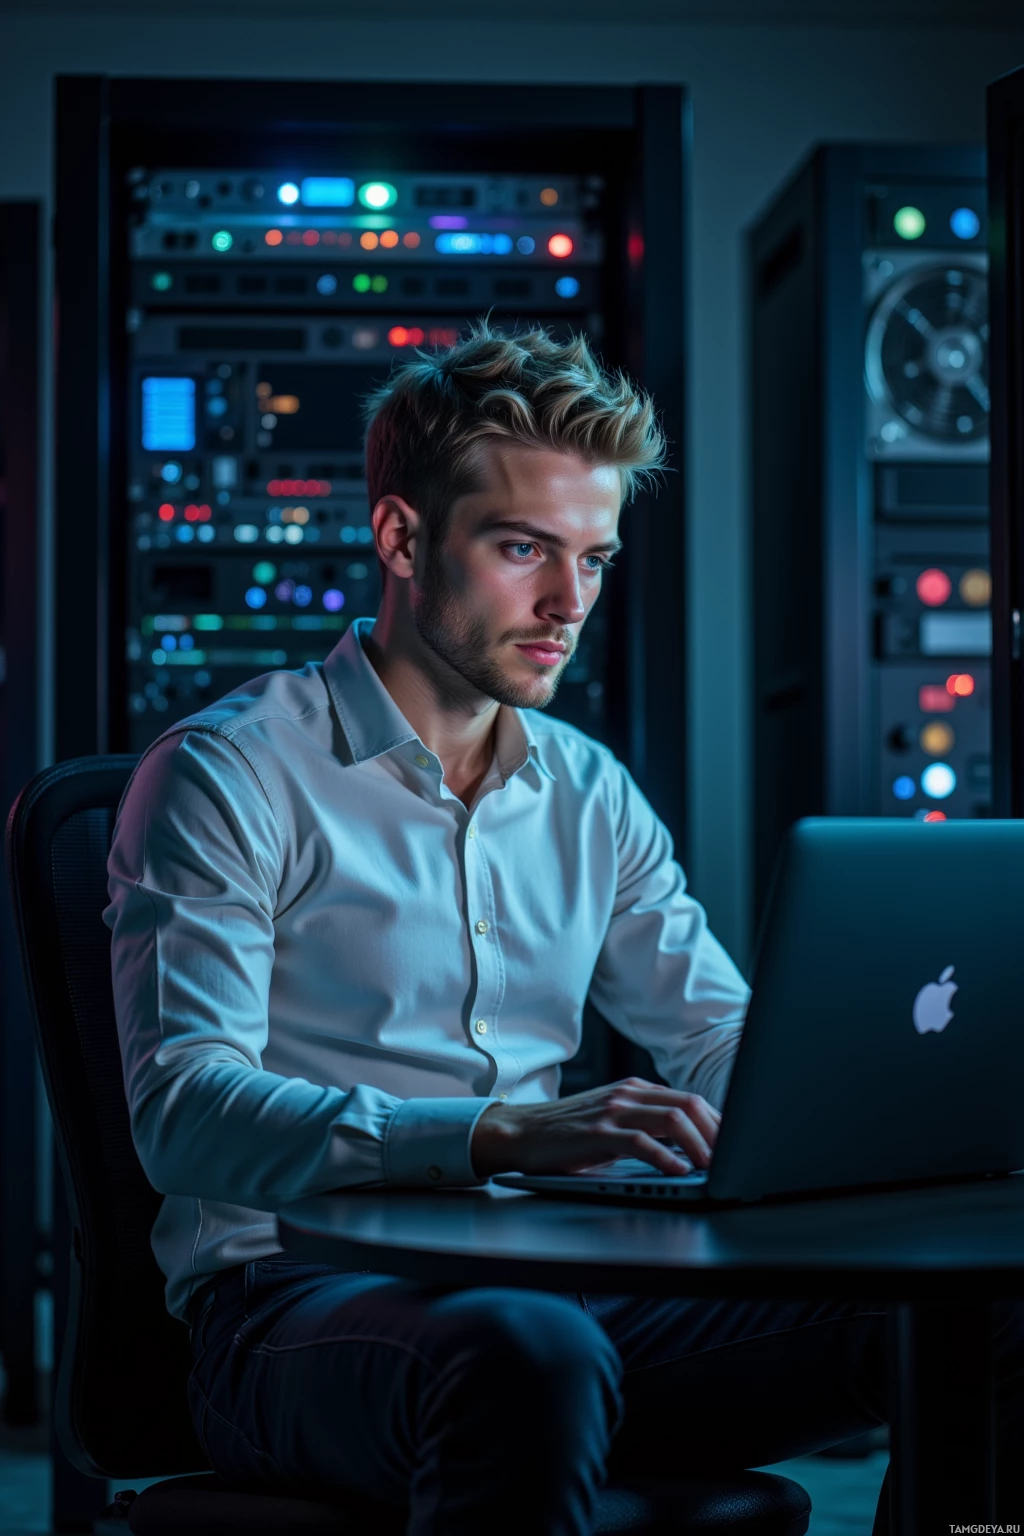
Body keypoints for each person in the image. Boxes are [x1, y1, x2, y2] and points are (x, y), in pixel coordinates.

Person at [104, 320, 1023, 1535]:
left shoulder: (588, 789)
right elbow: (187, 1114)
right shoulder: (230, 774)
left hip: (555, 1287)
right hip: (288, 1309)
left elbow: (717, 1036)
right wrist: (501, 1132)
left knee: (976, 1316)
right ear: (400, 537)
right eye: (523, 548)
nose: (566, 603)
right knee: (525, 1356)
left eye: (593, 559)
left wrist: (875, 1118)